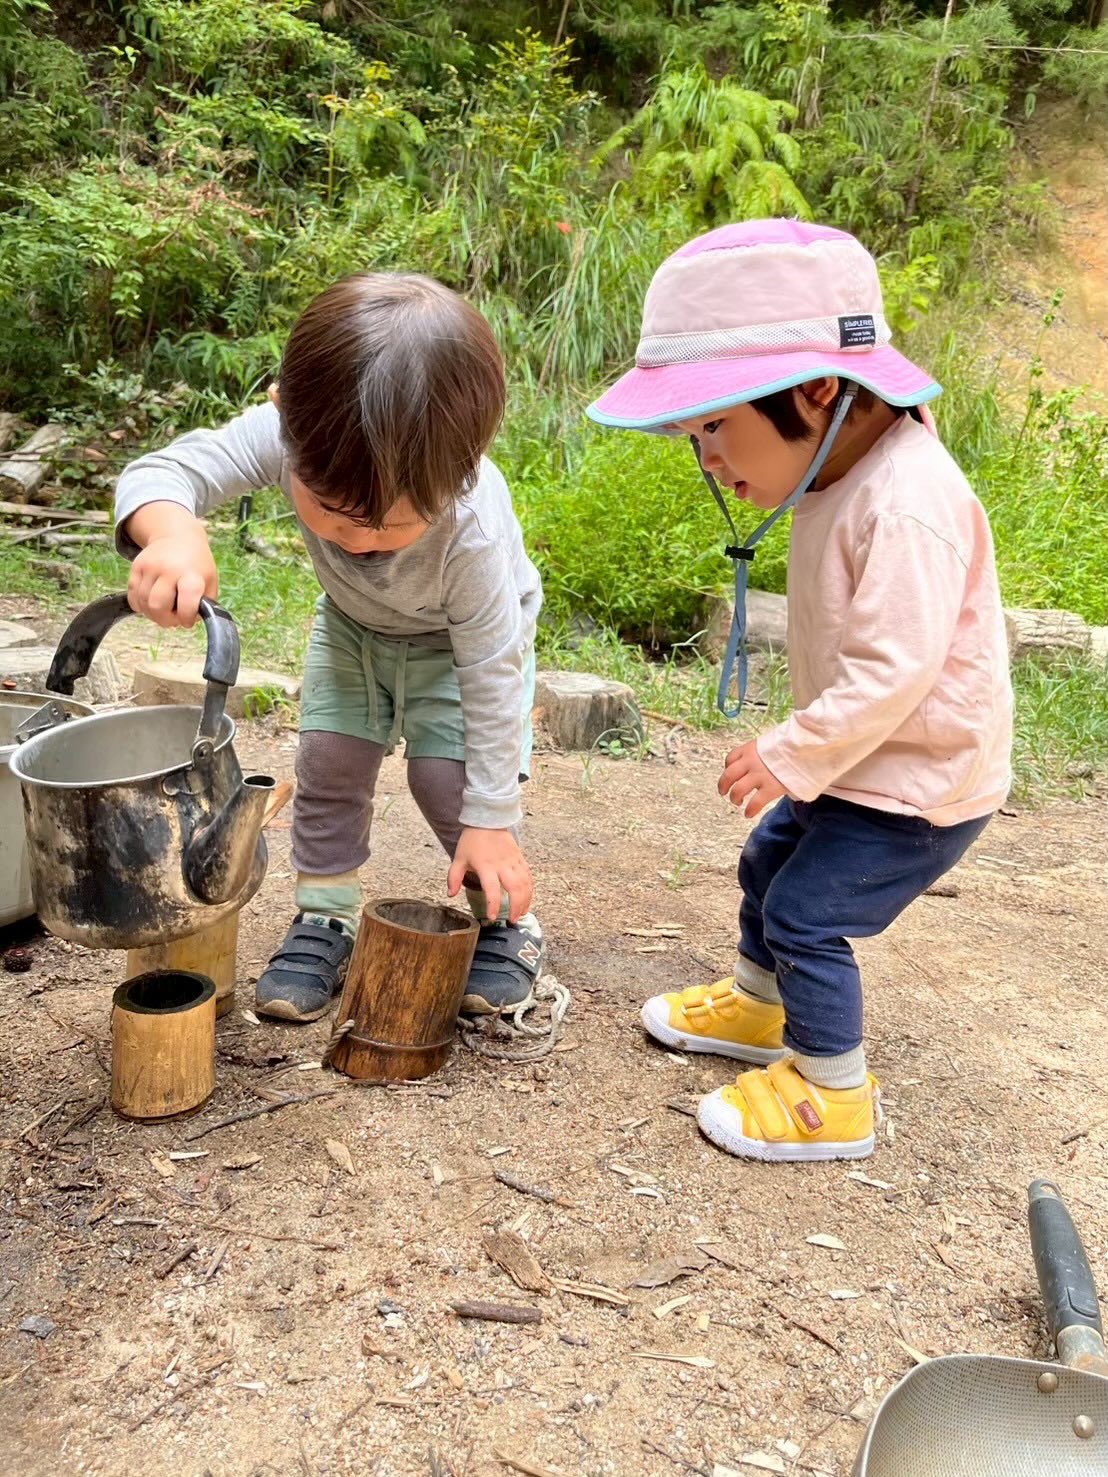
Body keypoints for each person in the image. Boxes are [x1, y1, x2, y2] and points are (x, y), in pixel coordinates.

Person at [587, 219, 1012, 1162]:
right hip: (864, 761)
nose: (706, 458)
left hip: (916, 785)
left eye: (714, 425)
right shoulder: (842, 465)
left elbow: (895, 670)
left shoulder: (907, 503)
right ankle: (755, 1003)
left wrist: (791, 748)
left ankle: (834, 1091)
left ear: (819, 391)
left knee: (808, 914)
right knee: (766, 865)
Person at [115, 272, 544, 1023]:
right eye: (340, 515)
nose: (360, 540)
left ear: (465, 469)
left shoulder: (472, 527)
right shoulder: (287, 435)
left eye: (393, 526)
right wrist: (174, 531)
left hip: (458, 645)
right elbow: (162, 472)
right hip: (353, 627)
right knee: (330, 763)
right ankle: (325, 916)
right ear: (287, 420)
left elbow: (492, 670)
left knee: (450, 784)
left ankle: (506, 918)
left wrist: (493, 816)